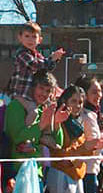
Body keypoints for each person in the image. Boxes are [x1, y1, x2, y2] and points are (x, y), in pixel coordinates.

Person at [7, 22, 65, 150]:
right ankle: (24, 141)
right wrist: (51, 58)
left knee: (49, 108)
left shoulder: (38, 55)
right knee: (32, 111)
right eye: (27, 36)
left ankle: (46, 136)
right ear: (20, 38)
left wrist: (55, 59)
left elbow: (46, 69)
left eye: (34, 37)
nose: (30, 40)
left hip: (29, 93)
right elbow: (37, 66)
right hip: (20, 93)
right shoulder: (22, 54)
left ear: (40, 40)